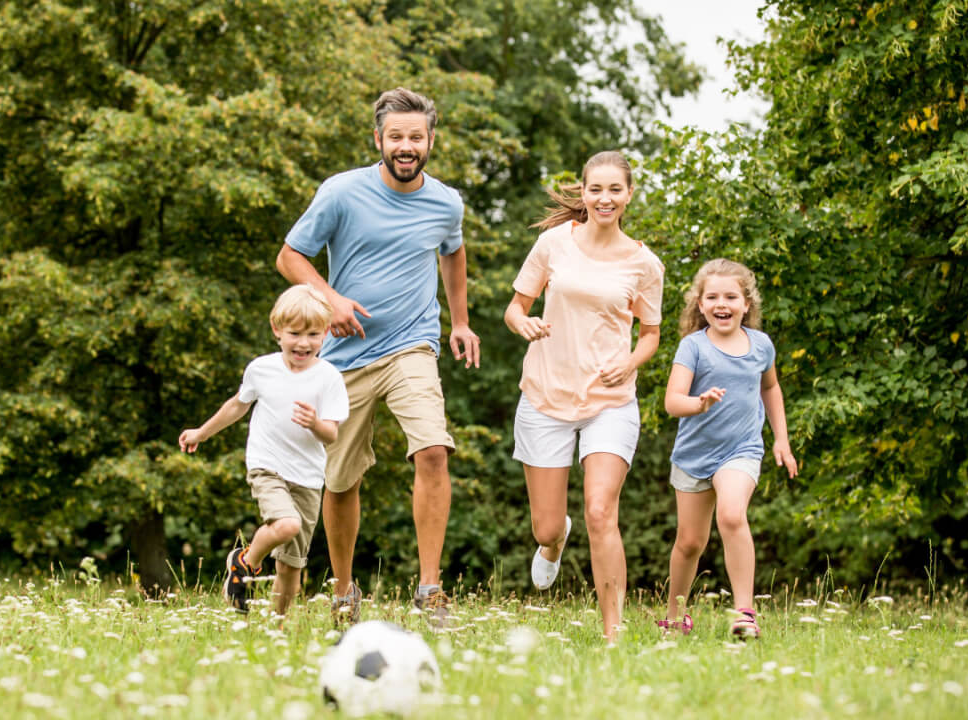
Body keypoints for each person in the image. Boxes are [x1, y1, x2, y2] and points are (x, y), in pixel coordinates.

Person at [275, 87, 480, 625]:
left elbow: (453, 252)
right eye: (396, 137)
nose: (406, 146)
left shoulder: (446, 201)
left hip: (413, 343)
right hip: (344, 357)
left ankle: (430, 588)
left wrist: (458, 321)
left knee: (433, 448)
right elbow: (290, 255)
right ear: (379, 140)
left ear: (431, 140)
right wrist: (330, 299)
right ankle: (344, 590)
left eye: (416, 137)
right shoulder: (342, 193)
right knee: (340, 481)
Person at [503, 150, 663, 642]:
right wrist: (523, 323)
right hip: (546, 395)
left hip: (609, 402)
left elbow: (651, 334)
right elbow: (515, 307)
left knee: (600, 510)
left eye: (615, 189)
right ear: (584, 193)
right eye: (596, 189)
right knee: (546, 528)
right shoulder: (555, 243)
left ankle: (614, 634)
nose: (605, 198)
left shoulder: (644, 263)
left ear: (629, 195)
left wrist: (631, 361)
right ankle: (554, 545)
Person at [178, 284, 349, 617]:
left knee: (291, 569)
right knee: (286, 525)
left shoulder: (329, 378)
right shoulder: (262, 369)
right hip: (267, 465)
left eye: (313, 334)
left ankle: (277, 628)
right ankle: (245, 563)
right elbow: (237, 406)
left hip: (309, 478)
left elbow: (331, 434)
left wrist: (314, 423)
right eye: (295, 333)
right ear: (277, 331)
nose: (303, 342)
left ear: (326, 333)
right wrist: (202, 431)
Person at [660, 258, 798, 639]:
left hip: (741, 450)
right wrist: (699, 403)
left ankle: (744, 614)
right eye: (713, 297)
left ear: (746, 304)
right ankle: (675, 616)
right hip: (692, 456)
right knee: (690, 543)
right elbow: (673, 401)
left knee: (733, 516)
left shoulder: (761, 346)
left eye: (731, 296)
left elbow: (770, 389)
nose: (723, 303)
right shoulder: (693, 347)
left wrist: (781, 439)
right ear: (700, 305)